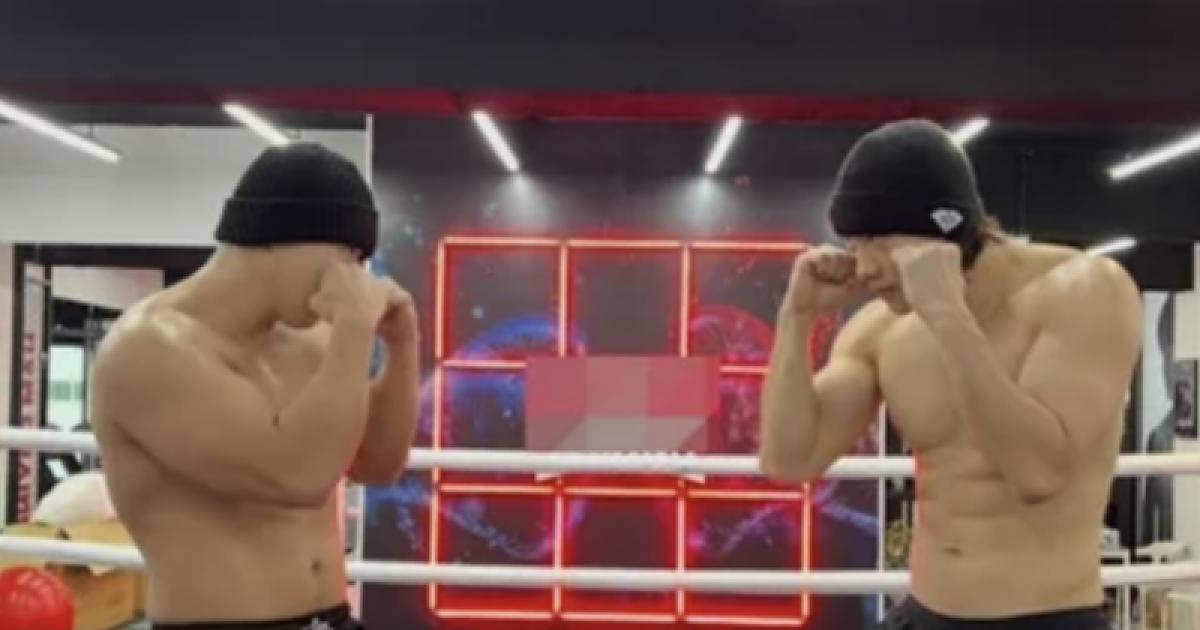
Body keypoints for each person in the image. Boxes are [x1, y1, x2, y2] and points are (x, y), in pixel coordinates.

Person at [760, 120, 1142, 630]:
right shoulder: (881, 328)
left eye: (878, 238)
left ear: (943, 228)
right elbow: (789, 460)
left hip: (1047, 617)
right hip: (924, 613)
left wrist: (947, 317)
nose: (864, 267)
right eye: (854, 242)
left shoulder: (1084, 292)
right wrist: (796, 317)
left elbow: (1038, 473)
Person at [90, 143, 420, 630]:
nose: (352, 275)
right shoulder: (147, 348)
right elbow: (298, 477)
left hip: (332, 617)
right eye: (346, 252)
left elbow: (379, 463)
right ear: (280, 236)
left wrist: (403, 344)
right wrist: (353, 329)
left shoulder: (307, 338)